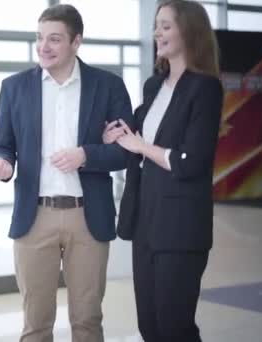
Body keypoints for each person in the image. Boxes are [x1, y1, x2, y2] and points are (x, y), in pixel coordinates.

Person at [0, 4, 133, 342]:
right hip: (34, 217)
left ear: (76, 42)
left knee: (88, 321)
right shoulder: (14, 88)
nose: (43, 47)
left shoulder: (108, 86)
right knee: (35, 325)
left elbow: (125, 150)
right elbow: (1, 145)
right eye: (39, 38)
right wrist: (4, 164)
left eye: (54, 39)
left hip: (88, 217)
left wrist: (85, 155)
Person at [102, 1, 223, 341]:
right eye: (156, 25)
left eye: (166, 26)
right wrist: (119, 135)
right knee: (150, 326)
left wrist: (141, 146)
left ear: (190, 31)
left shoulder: (205, 88)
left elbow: (191, 162)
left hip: (182, 227)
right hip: (146, 222)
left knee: (175, 327)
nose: (157, 32)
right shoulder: (154, 87)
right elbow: (138, 138)